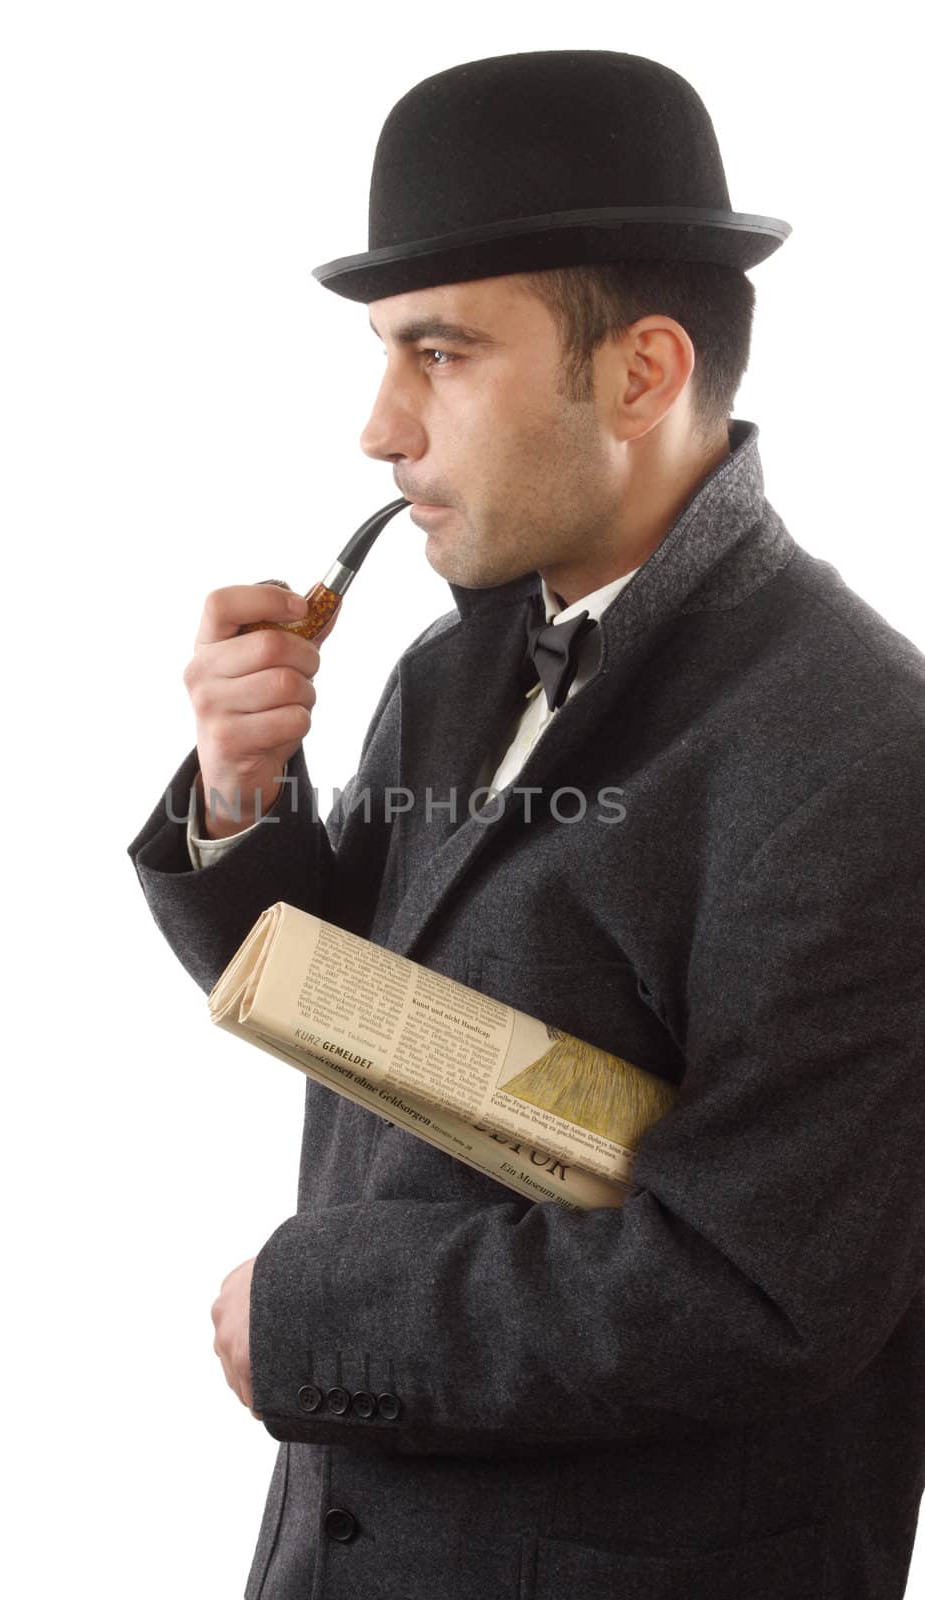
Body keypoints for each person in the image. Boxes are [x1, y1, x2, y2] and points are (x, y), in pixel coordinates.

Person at [127, 49, 925, 1600]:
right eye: (383, 354)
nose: (378, 426)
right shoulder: (456, 661)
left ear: (639, 373)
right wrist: (241, 797)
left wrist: (312, 1321)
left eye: (439, 353)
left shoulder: (870, 754)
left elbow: (758, 1292)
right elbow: (363, 1003)